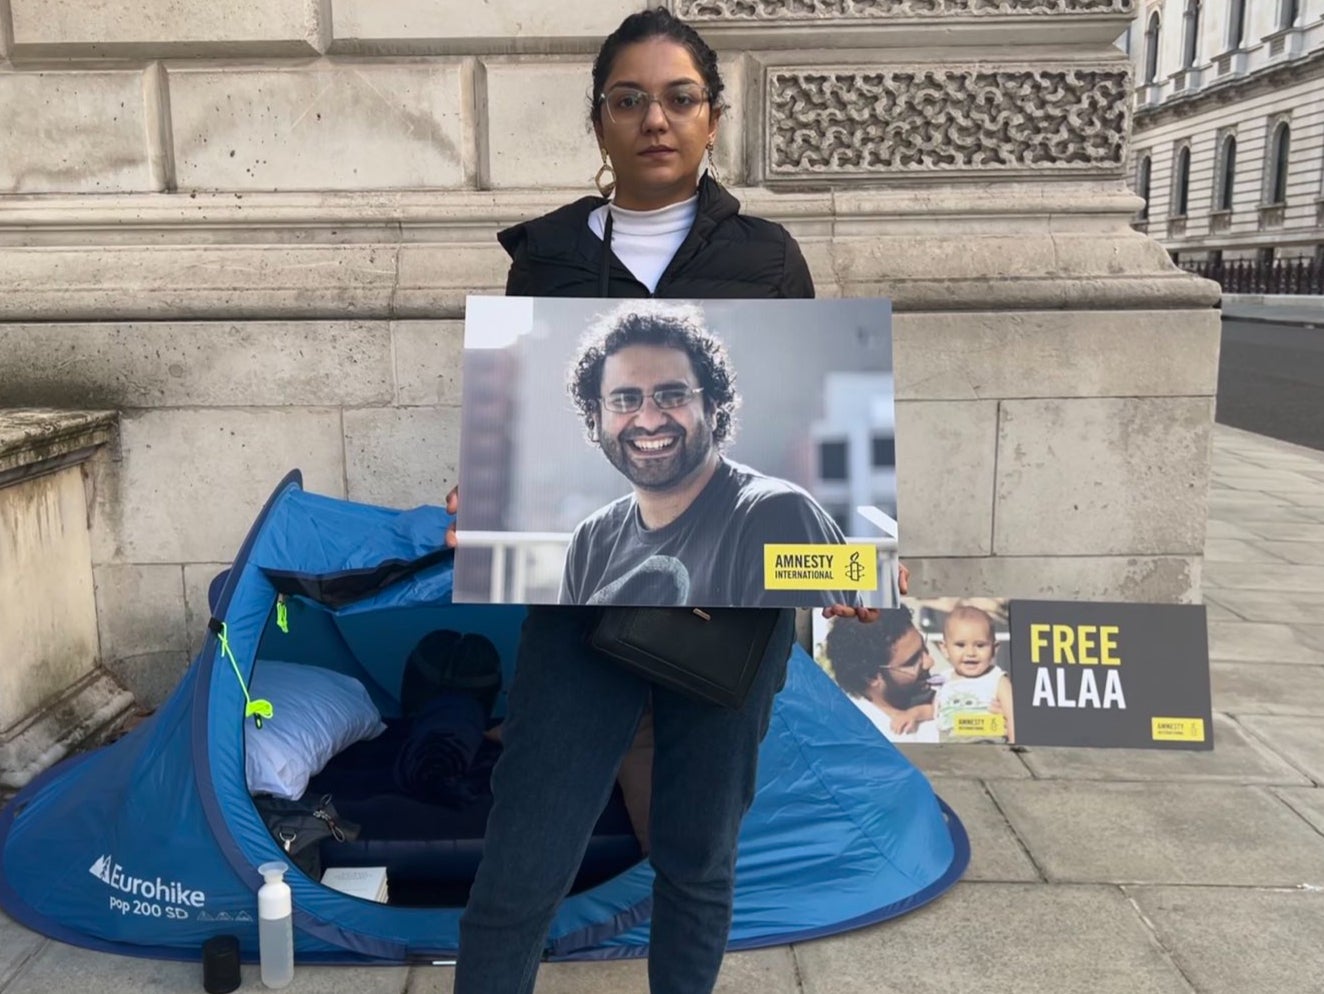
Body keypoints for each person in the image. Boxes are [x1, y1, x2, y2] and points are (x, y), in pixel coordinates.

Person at [442, 9, 892, 993]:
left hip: (732, 609)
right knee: (523, 861)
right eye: (629, 98)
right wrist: (484, 484)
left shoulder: (768, 258)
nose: (656, 117)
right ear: (599, 121)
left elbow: (824, 415)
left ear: (713, 117)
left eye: (679, 98)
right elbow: (514, 417)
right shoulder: (550, 256)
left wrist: (850, 553)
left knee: (696, 858)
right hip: (580, 600)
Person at [560, 300, 856, 608]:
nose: (649, 420)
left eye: (673, 395)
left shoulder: (786, 516)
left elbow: (805, 654)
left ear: (713, 407)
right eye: (624, 400)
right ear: (595, 417)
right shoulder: (589, 542)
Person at [825, 609, 939, 743]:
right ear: (871, 677)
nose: (930, 662)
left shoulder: (945, 690)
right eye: (912, 661)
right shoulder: (853, 738)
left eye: (924, 648)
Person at [932, 604, 1015, 744]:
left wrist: (1015, 748)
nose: (970, 653)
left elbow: (1013, 717)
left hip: (987, 744)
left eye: (980, 645)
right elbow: (930, 711)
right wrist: (911, 714)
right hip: (949, 747)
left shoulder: (997, 679)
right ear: (945, 648)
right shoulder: (942, 679)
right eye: (960, 645)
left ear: (994, 649)